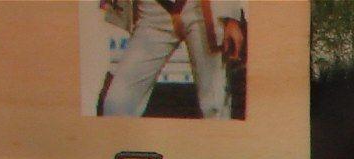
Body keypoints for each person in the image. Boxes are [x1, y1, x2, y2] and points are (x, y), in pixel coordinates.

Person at [99, 0, 245, 119]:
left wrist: (232, 18)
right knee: (117, 103)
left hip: (200, 9)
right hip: (153, 10)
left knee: (215, 106)